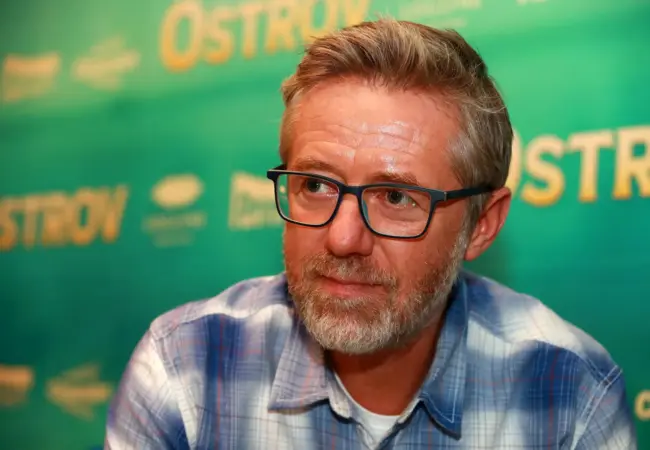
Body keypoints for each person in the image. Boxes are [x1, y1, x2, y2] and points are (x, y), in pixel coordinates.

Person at [104, 18, 637, 449]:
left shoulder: (569, 393)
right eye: (316, 185)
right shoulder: (187, 367)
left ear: (482, 225)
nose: (342, 239)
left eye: (397, 198)